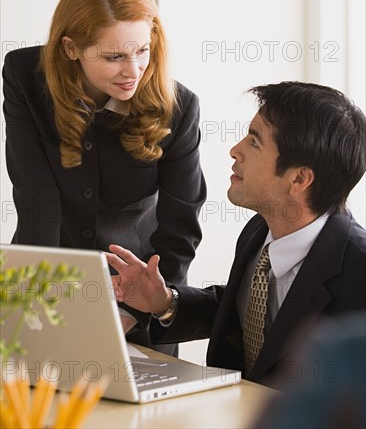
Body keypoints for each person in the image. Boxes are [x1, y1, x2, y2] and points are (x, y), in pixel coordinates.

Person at [106, 81, 366, 388]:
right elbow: (241, 311)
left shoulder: (358, 270)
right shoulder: (259, 231)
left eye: (254, 142)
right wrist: (164, 302)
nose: (235, 150)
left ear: (298, 178)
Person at [2, 0, 207, 355]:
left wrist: (136, 314)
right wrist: (31, 317)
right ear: (70, 48)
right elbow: (37, 206)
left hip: (135, 308)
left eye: (142, 50)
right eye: (114, 57)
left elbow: (180, 229)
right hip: (45, 292)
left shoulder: (180, 109)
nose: (133, 71)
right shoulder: (24, 77)